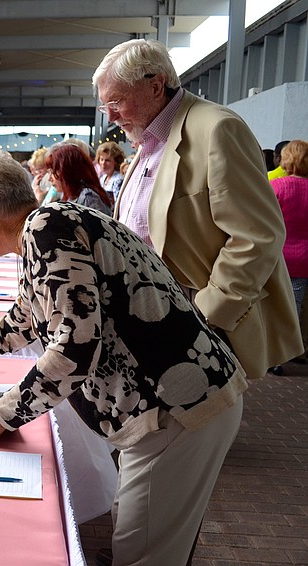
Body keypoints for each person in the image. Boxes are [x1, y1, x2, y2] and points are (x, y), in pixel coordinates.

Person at [0, 149, 247, 565]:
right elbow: (19, 325)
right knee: (147, 535)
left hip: (175, 408)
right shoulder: (48, 227)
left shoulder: (47, 232)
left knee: (144, 552)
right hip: (176, 402)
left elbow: (73, 348)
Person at [93, 38, 301, 380]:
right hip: (149, 319)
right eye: (106, 107)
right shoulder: (147, 140)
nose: (111, 117)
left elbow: (258, 236)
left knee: (193, 428)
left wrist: (204, 316)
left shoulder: (217, 128)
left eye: (116, 102)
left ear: (156, 85)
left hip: (194, 323)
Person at [271, 140, 308, 357]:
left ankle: (279, 354)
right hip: (305, 259)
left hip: (280, 256)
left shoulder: (277, 186)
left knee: (279, 306)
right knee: (298, 307)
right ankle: (298, 349)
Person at [45, 143, 113, 215]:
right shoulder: (72, 195)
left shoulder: (87, 197)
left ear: (67, 171)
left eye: (53, 172)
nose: (49, 178)